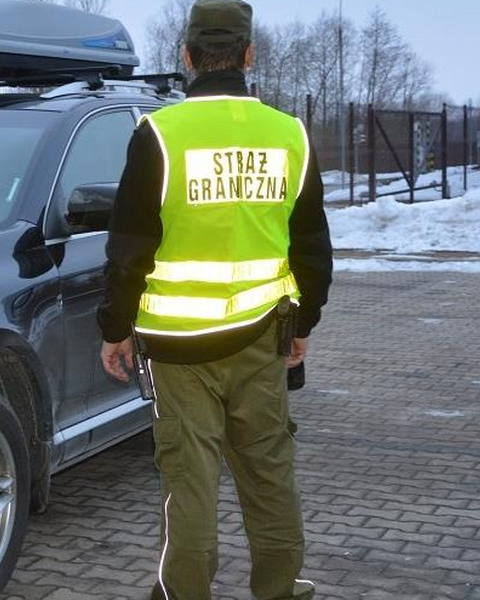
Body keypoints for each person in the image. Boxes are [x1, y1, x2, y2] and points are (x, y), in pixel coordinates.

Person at [96, 1, 333, 599]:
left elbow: (130, 247)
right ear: (250, 56)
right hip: (261, 338)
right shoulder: (288, 134)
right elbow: (311, 245)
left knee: (189, 482)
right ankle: (282, 591)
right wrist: (304, 321)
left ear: (187, 57)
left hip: (177, 350)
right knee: (269, 474)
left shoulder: (159, 135)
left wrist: (115, 325)